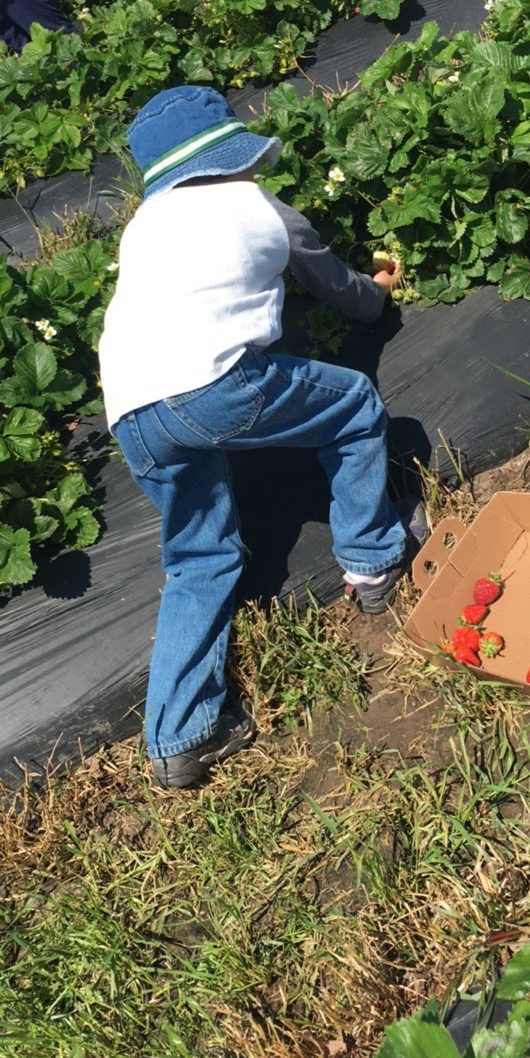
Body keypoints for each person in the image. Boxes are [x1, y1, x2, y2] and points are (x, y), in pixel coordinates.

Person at [98, 85, 429, 791]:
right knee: (353, 406)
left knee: (199, 558)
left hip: (130, 410)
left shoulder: (141, 228)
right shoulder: (260, 208)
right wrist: (378, 289)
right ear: (234, 158)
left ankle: (179, 738)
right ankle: (373, 562)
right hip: (214, 389)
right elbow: (340, 290)